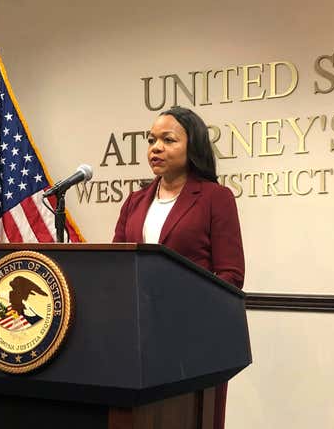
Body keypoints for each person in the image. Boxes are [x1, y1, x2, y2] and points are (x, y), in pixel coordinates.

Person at [113, 106, 244, 429]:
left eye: (168, 140)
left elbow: (231, 275)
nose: (155, 148)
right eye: (152, 140)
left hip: (193, 342)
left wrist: (188, 314)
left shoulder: (216, 197)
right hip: (138, 340)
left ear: (192, 146)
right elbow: (116, 266)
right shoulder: (134, 201)